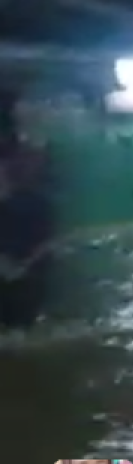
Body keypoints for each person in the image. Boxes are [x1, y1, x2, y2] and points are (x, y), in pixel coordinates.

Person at [0, 89, 55, 328]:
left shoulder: (35, 204)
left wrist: (21, 266)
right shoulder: (33, 202)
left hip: (23, 273)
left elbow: (49, 241)